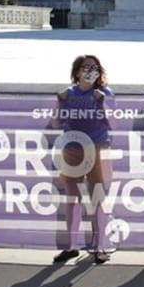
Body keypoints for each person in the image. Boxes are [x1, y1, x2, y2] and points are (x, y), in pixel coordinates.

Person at [52, 55, 115, 264]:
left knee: (98, 197)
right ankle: (71, 246)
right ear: (77, 72)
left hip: (98, 148)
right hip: (73, 149)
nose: (90, 71)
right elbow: (55, 123)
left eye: (94, 67)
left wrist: (102, 102)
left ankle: (100, 246)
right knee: (72, 200)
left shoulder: (105, 93)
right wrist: (59, 102)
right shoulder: (68, 93)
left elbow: (113, 123)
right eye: (86, 67)